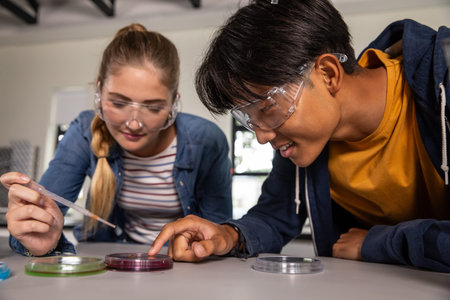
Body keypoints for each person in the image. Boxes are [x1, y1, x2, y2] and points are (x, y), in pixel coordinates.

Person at [149, 0, 450, 272]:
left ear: (328, 74)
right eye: (248, 119)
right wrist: (228, 235)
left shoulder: (443, 81)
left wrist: (380, 243)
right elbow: (274, 216)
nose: (262, 137)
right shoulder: (306, 142)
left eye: (266, 108)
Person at [0, 23, 232, 257]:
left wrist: (205, 246)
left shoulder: (206, 140)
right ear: (99, 93)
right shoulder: (84, 131)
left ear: (173, 105)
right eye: (119, 103)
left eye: (152, 107)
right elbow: (39, 223)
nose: (133, 123)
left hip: (181, 267)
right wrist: (39, 239)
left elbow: (217, 233)